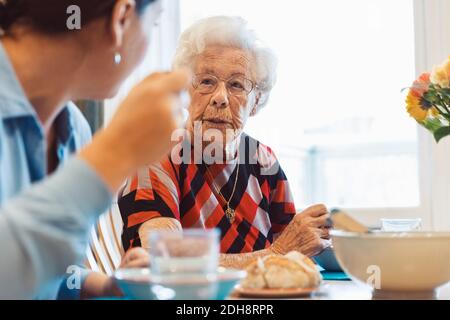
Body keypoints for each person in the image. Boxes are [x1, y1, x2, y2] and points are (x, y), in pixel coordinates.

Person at [0, 0, 188, 299]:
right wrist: (116, 151)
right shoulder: (101, 151)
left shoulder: (73, 127)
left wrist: (104, 286)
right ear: (121, 18)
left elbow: (42, 269)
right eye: (153, 24)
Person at [119, 16, 330, 269]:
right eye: (206, 81)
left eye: (236, 85)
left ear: (255, 101)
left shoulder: (264, 160)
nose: (220, 97)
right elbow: (164, 263)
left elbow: (294, 257)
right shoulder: (156, 157)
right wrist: (277, 253)